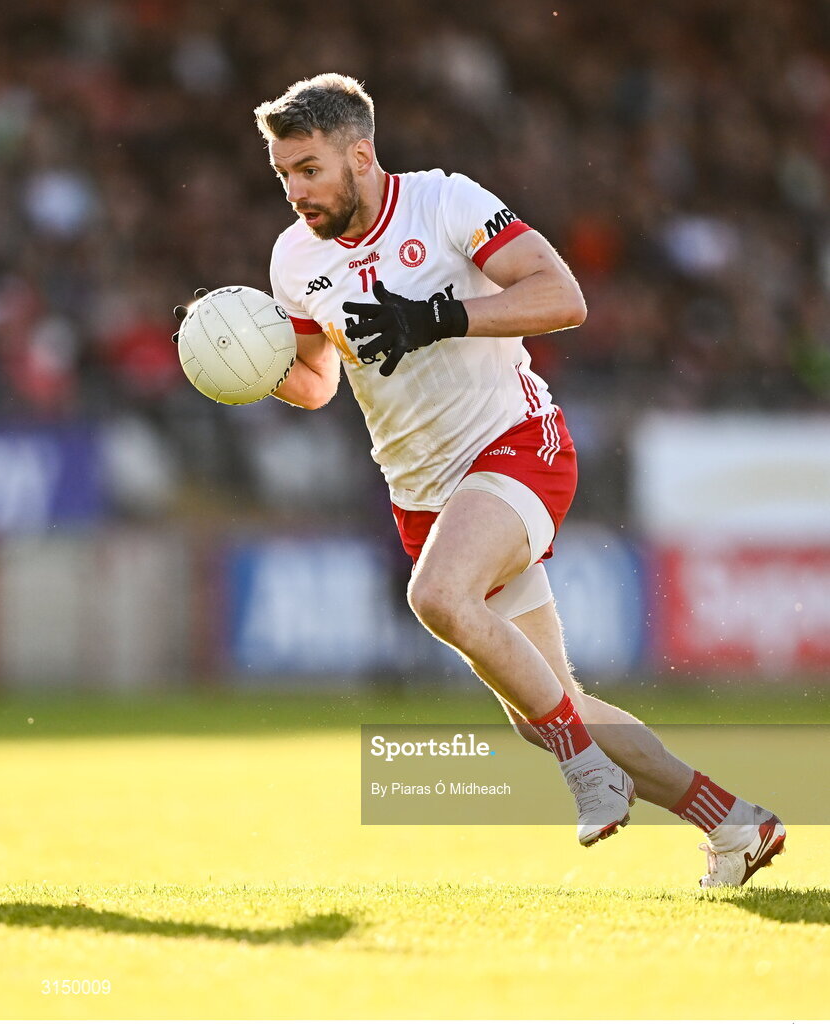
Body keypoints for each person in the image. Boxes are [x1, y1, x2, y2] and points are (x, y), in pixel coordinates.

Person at [177, 73, 785, 883]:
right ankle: (733, 824)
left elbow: (562, 297)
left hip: (516, 446)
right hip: (423, 495)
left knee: (435, 599)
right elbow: (317, 382)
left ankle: (589, 775)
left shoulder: (445, 203)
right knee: (549, 707)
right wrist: (238, 360)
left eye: (309, 169)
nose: (295, 191)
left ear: (360, 154)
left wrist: (437, 316)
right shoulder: (294, 258)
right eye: (282, 173)